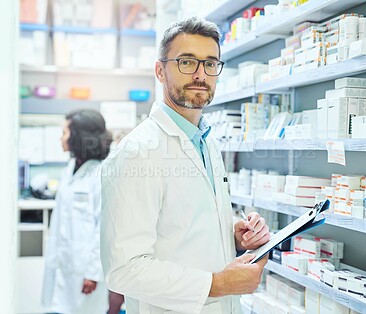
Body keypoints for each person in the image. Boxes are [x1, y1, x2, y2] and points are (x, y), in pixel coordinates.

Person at [100, 17, 271, 313]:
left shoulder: (206, 141)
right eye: (186, 62)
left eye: (210, 63)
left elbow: (185, 227)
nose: (200, 74)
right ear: (160, 71)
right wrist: (217, 284)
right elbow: (123, 269)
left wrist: (234, 235)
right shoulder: (137, 152)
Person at [42, 109, 112, 314]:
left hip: (85, 270)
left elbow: (104, 229)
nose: (61, 137)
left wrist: (93, 273)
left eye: (65, 132)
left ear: (79, 137)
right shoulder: (71, 168)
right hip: (63, 261)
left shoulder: (102, 174)